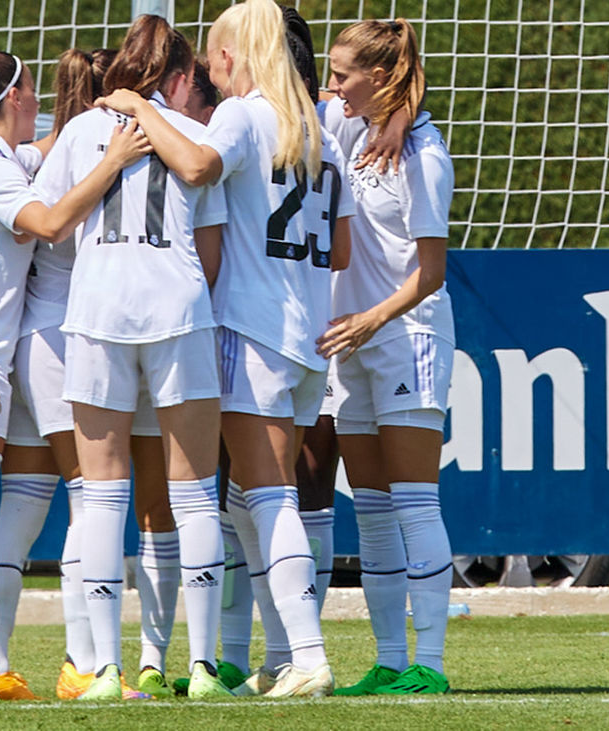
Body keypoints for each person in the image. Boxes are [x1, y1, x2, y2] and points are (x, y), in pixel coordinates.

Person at [97, 0, 353, 698]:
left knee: (267, 498)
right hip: (304, 338)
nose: (209, 70)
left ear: (236, 55)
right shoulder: (320, 131)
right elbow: (343, 246)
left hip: (253, 329)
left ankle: (307, 654)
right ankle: (280, 655)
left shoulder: (246, 113)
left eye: (213, 55)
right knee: (248, 500)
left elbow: (198, 166)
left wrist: (141, 109)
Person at [0, 43, 141, 703]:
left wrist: (99, 112)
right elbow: (51, 219)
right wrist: (116, 159)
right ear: (11, 96)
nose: (38, 98)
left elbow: (53, 144)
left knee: (17, 503)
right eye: (31, 89)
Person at [50, 14, 231, 701]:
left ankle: (104, 670)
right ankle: (206, 667)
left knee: (101, 495)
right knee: (192, 494)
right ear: (182, 78)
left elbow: (57, 221)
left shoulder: (79, 130)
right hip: (177, 311)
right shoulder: (198, 135)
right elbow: (210, 256)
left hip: (97, 313)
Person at [318, 19, 456, 697]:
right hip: (358, 340)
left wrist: (371, 318)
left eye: (342, 73)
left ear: (379, 77)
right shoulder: (346, 126)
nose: (330, 84)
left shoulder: (426, 155)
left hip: (408, 336)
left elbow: (430, 272)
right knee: (369, 508)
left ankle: (429, 661)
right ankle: (390, 659)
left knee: (414, 501)